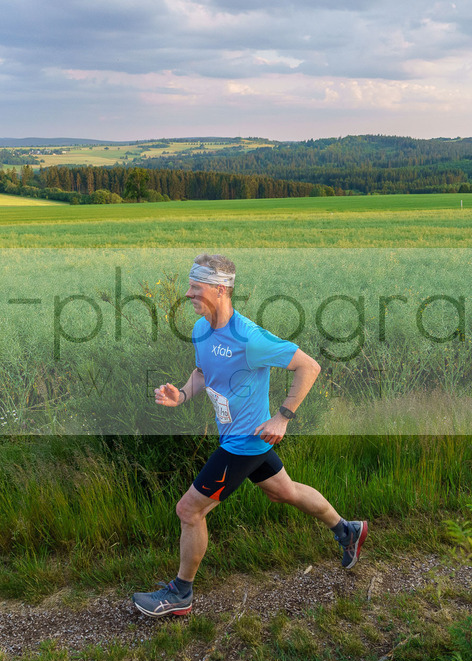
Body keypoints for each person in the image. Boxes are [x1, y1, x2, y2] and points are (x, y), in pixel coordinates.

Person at [132, 253, 368, 617]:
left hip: (244, 443)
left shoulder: (250, 338)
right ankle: (347, 530)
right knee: (285, 492)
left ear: (221, 289)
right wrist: (179, 395)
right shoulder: (200, 330)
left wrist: (283, 417)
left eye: (196, 286)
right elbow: (201, 371)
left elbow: (310, 366)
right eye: (190, 284)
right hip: (241, 438)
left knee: (189, 510)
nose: (189, 292)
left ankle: (181, 594)